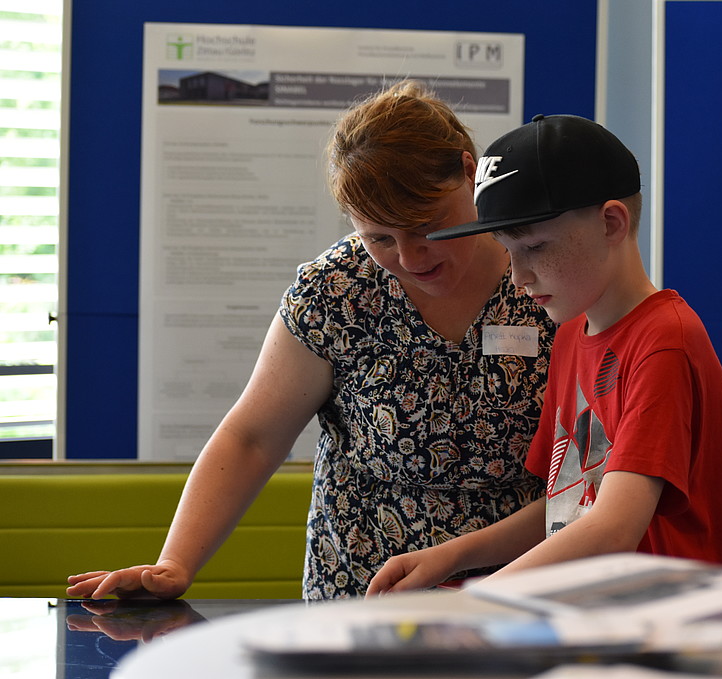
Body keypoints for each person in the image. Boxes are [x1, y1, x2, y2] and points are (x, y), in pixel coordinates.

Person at [66, 81, 556, 600]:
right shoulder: (338, 290)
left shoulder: (542, 270)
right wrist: (175, 562)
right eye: (380, 238)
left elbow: (592, 469)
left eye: (428, 227)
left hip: (519, 588)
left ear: (468, 170)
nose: (411, 259)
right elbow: (252, 438)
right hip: (363, 593)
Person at [366, 114, 722, 596]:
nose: (519, 276)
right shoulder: (572, 332)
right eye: (508, 251)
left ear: (612, 222)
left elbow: (612, 529)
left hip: (684, 627)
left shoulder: (663, 341)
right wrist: (452, 555)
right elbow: (569, 507)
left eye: (534, 246)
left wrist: (474, 600)